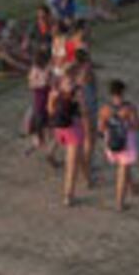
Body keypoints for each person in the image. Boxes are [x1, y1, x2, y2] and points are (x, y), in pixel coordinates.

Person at [96, 79, 139, 211]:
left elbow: (101, 128)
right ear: (123, 92)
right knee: (123, 169)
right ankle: (119, 203)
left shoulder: (105, 109)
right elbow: (136, 126)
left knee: (124, 167)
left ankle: (133, 187)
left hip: (111, 142)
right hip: (126, 142)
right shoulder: (129, 108)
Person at [48, 65, 91, 206]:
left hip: (60, 128)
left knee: (79, 156)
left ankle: (87, 179)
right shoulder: (77, 91)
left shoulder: (56, 90)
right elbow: (84, 112)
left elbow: (50, 110)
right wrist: (88, 129)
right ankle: (68, 196)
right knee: (72, 165)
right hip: (73, 129)